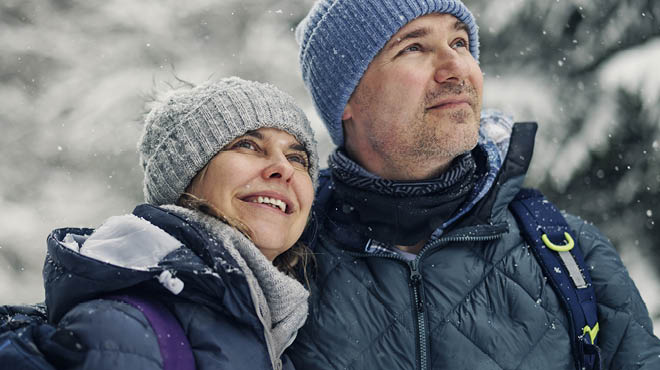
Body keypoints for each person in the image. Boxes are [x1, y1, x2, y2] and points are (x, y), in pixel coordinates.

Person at [288, 0, 660, 369]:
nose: (455, 68)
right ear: (345, 99)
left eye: (460, 43)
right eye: (413, 47)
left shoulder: (571, 255)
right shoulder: (284, 264)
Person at [0, 77, 319, 370]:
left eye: (297, 158)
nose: (283, 168)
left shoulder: (276, 338)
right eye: (247, 145)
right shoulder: (129, 330)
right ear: (184, 178)